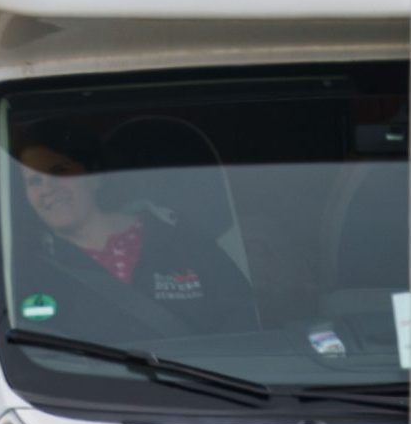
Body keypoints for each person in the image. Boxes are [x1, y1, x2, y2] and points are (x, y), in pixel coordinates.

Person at [14, 131, 256, 336]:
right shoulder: (28, 272)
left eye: (60, 171)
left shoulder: (178, 239)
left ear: (94, 178)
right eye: (34, 181)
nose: (47, 188)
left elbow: (244, 323)